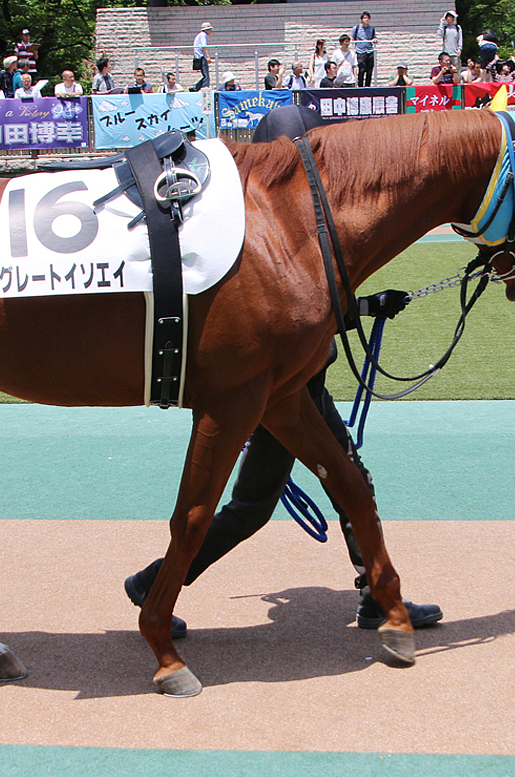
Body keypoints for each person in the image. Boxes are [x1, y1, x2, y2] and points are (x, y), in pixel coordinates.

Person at [122, 104, 443, 639]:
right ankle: (374, 595)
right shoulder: (272, 217)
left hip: (292, 379)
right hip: (286, 385)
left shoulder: (286, 218)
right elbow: (288, 317)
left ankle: (154, 581)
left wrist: (365, 307)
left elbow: (305, 309)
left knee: (255, 506)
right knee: (342, 477)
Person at [352, 11, 376, 87]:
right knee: (361, 69)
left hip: (369, 51)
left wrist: (375, 40)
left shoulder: (371, 28)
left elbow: (374, 37)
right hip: (360, 51)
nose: (367, 19)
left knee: (369, 70)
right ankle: (360, 86)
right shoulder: (357, 28)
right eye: (365, 18)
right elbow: (352, 38)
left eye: (368, 18)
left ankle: (368, 86)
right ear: (362, 19)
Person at [192, 21, 212, 91]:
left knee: (205, 75)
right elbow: (203, 46)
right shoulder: (203, 35)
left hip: (198, 57)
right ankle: (205, 89)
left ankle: (195, 87)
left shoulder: (200, 35)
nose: (211, 31)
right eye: (210, 29)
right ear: (206, 29)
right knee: (206, 76)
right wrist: (208, 57)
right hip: (201, 57)